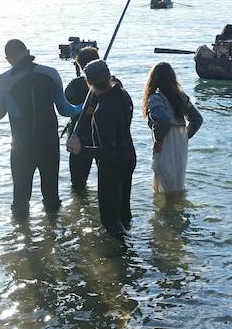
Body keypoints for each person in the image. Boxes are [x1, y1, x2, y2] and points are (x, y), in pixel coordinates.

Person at [0, 39, 81, 217]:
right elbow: (65, 110)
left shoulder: (1, 81)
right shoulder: (51, 73)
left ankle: (23, 238)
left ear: (8, 59)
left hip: (22, 147)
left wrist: (6, 99)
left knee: (21, 199)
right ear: (28, 51)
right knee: (51, 197)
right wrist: (82, 107)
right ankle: (55, 235)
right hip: (49, 144)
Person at [70, 59, 136, 239]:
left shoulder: (102, 110)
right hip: (129, 157)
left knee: (109, 218)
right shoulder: (124, 95)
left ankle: (122, 255)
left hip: (112, 166)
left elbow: (108, 150)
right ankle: (129, 240)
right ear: (108, 76)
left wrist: (80, 150)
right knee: (123, 210)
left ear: (88, 82)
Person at [143, 62, 203, 194]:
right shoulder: (180, 97)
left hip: (165, 143)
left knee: (164, 187)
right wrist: (184, 137)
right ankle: (177, 212)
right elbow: (197, 119)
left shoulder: (155, 98)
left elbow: (163, 122)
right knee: (176, 185)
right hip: (180, 143)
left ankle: (166, 214)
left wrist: (158, 142)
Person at [64, 46, 100, 191]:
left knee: (78, 184)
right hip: (101, 137)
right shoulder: (111, 83)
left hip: (79, 136)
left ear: (80, 65)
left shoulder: (75, 84)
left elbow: (66, 103)